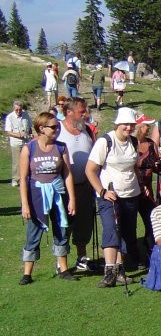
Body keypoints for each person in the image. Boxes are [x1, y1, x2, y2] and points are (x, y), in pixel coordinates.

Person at [18, 112, 78, 285]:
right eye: (53, 127)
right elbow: (23, 178)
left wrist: (72, 199)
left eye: (57, 126)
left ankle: (64, 269)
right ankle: (27, 273)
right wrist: (25, 204)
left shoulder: (61, 147)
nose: (56, 130)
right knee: (33, 232)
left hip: (58, 194)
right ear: (41, 128)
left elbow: (67, 174)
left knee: (61, 229)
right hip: (37, 195)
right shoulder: (29, 148)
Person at [85, 107, 141, 288]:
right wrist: (102, 191)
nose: (128, 127)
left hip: (131, 194)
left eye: (131, 124)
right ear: (118, 123)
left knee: (125, 232)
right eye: (125, 124)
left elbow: (134, 167)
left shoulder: (133, 141)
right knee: (111, 229)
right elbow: (90, 170)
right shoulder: (105, 141)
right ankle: (109, 272)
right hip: (110, 195)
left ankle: (119, 269)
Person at [56, 97, 98, 272]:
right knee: (65, 225)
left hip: (86, 186)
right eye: (82, 112)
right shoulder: (57, 130)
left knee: (84, 225)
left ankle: (82, 259)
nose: (85, 115)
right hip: (64, 188)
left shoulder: (87, 131)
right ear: (69, 112)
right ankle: (61, 263)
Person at [135, 113, 161, 266]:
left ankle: (150, 252)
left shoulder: (151, 144)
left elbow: (157, 161)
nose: (148, 127)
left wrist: (159, 165)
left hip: (148, 192)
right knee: (129, 224)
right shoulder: (130, 144)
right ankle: (133, 256)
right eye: (146, 125)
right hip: (133, 189)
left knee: (151, 222)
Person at [5, 100, 33, 187]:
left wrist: (31, 134)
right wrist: (19, 135)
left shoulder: (26, 115)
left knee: (26, 160)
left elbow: (29, 126)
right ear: (14, 109)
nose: (18, 111)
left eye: (20, 110)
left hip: (26, 142)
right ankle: (15, 179)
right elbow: (9, 132)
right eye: (16, 110)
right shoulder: (10, 117)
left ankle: (24, 178)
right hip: (16, 143)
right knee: (16, 162)